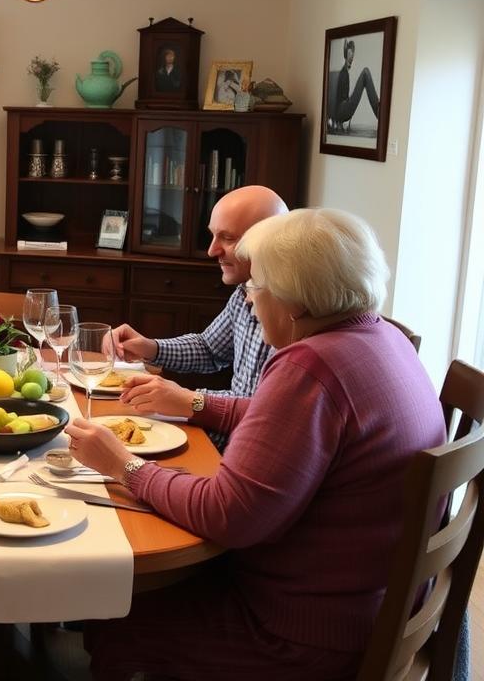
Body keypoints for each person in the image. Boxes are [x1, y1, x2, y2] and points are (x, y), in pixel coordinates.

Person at [68, 208, 446, 681]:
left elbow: (226, 516)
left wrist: (123, 465)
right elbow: (296, 425)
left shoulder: (309, 366)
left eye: (255, 287)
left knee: (117, 618)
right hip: (368, 606)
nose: (248, 300)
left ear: (295, 304)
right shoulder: (384, 339)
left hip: (299, 635)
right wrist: (201, 406)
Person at [107, 185, 287, 450]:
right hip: (225, 436)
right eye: (213, 236)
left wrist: (188, 398)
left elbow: (266, 416)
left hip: (245, 447)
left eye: (227, 238)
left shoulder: (293, 316)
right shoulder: (243, 290)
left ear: (270, 242)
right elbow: (210, 349)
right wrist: (151, 348)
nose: (212, 250)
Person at [331, 38, 380, 130]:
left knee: (365, 72)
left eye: (353, 54)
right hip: (342, 110)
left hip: (342, 109)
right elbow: (338, 99)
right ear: (346, 55)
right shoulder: (343, 73)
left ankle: (379, 110)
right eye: (350, 53)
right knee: (366, 72)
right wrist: (336, 120)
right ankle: (379, 112)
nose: (352, 56)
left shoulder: (345, 72)